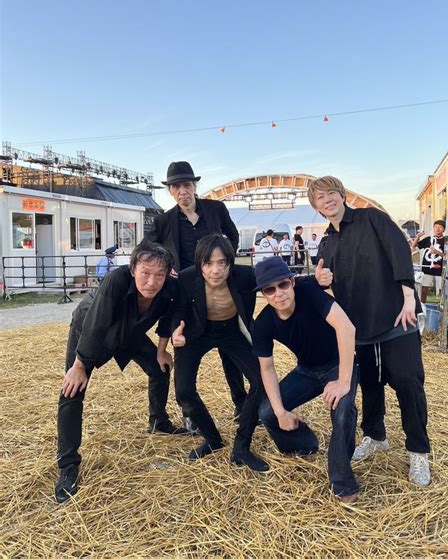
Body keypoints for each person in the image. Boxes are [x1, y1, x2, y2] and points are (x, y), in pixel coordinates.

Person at [308, 176, 431, 487]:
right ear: (317, 207)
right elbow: (325, 281)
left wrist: (407, 294)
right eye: (320, 198)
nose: (327, 200)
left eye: (331, 193)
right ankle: (375, 435)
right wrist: (320, 278)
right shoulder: (326, 242)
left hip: (395, 319)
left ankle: (418, 451)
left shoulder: (371, 218)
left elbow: (399, 249)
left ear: (341, 194)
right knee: (371, 386)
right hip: (360, 327)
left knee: (408, 383)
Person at [55, 240, 187, 504]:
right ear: (132, 269)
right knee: (72, 390)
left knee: (159, 369)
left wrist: (162, 349)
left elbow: (168, 318)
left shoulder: (170, 288)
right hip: (91, 331)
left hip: (132, 332)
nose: (152, 282)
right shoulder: (115, 280)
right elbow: (97, 322)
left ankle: (158, 421)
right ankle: (68, 465)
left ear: (168, 274)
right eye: (145, 273)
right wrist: (80, 365)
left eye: (159, 275)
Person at [146, 161, 247, 424]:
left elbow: (233, 237)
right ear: (170, 191)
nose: (182, 191)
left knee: (232, 349)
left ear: (194, 187)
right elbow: (146, 248)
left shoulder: (216, 209)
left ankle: (242, 404)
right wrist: (166, 268)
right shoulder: (164, 220)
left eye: (187, 185)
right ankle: (190, 411)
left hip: (219, 286)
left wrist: (224, 264)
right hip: (186, 293)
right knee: (185, 349)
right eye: (176, 187)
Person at [252, 257, 359, 503]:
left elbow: (346, 328)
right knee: (268, 412)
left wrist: (343, 381)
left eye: (283, 285)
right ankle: (304, 445)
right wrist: (281, 412)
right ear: (263, 295)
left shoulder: (310, 292)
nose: (278, 293)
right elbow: (267, 369)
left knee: (343, 409)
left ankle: (342, 482)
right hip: (307, 370)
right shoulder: (264, 323)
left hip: (339, 365)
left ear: (292, 282)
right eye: (270, 289)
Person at [171, 234, 269, 472]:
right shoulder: (185, 279)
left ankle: (242, 446)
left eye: (221, 263)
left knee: (261, 381)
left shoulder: (245, 276)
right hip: (196, 332)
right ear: (199, 264)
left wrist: (317, 280)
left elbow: (279, 277)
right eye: (208, 263)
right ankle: (212, 439)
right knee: (183, 390)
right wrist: (175, 332)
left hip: (231, 330)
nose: (215, 270)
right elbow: (174, 307)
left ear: (230, 262)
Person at [411, 220, 448, 304]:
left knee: (441, 290)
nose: (438, 229)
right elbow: (414, 246)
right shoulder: (429, 239)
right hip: (427, 268)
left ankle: (441, 307)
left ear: (443, 229)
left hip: (440, 268)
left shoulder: (447, 240)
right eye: (436, 226)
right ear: (433, 228)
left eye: (440, 227)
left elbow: (447, 256)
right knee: (424, 290)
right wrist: (418, 236)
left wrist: (437, 252)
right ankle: (423, 307)